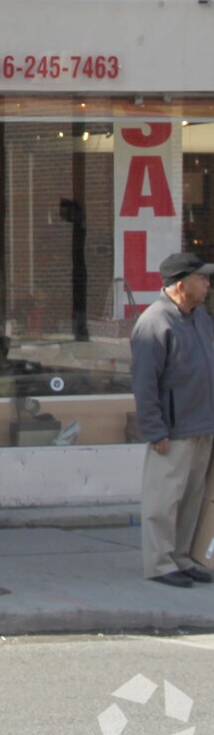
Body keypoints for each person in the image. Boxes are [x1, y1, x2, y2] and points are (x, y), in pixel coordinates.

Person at [130, 249, 214, 587]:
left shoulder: (201, 317)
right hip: (172, 431)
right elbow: (144, 384)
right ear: (181, 284)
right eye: (202, 278)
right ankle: (160, 563)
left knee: (192, 499)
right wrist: (155, 431)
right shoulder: (154, 323)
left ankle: (181, 557)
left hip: (203, 424)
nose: (208, 284)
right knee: (163, 501)